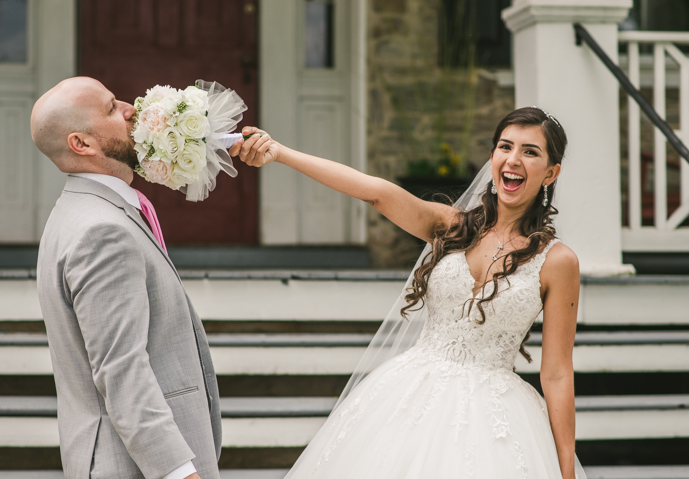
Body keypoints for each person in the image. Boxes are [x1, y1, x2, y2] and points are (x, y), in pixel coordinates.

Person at [230, 107, 585, 479]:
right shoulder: (452, 226)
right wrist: (281, 153)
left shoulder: (558, 262)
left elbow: (557, 373)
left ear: (551, 172)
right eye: (504, 146)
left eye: (530, 152)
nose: (513, 160)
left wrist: (565, 471)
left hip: (495, 417)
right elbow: (376, 193)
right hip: (409, 395)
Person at [31, 77, 220, 479]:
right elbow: (121, 368)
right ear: (82, 143)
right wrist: (179, 474)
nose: (131, 108)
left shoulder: (79, 212)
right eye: (111, 108)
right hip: (130, 466)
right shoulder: (103, 231)